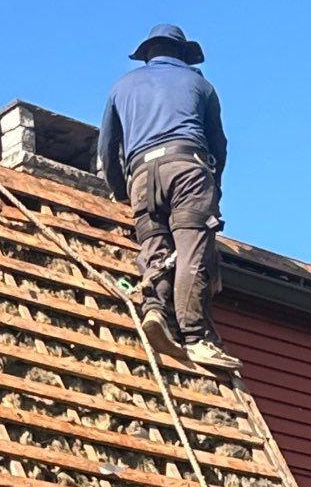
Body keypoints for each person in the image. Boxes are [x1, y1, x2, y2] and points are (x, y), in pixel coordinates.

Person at [98, 24, 233, 372]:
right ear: (184, 55)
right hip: (188, 167)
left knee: (155, 246)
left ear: (147, 54)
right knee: (191, 249)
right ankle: (196, 337)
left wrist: (120, 191)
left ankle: (155, 308)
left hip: (141, 175)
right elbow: (219, 145)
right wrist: (212, 187)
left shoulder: (121, 87)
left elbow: (107, 149)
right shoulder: (200, 85)